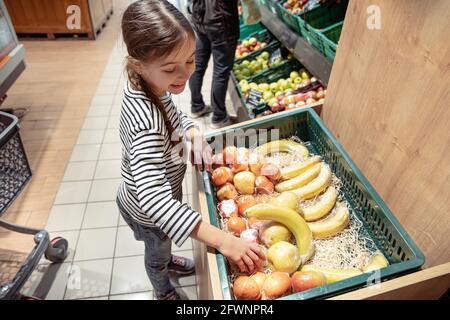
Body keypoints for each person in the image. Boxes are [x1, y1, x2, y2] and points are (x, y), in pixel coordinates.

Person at [117, 0, 265, 300]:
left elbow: (175, 118)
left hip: (161, 194)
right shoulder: (145, 120)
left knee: (164, 241)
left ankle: (166, 258)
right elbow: (153, 199)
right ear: (138, 65)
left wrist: (193, 131)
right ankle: (162, 288)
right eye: (171, 68)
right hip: (146, 213)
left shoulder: (151, 86)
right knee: (156, 249)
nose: (184, 73)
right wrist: (225, 241)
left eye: (190, 60)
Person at [188, 0, 240, 129]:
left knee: (198, 65)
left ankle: (196, 106)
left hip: (199, 16)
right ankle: (219, 116)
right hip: (220, 20)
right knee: (221, 71)